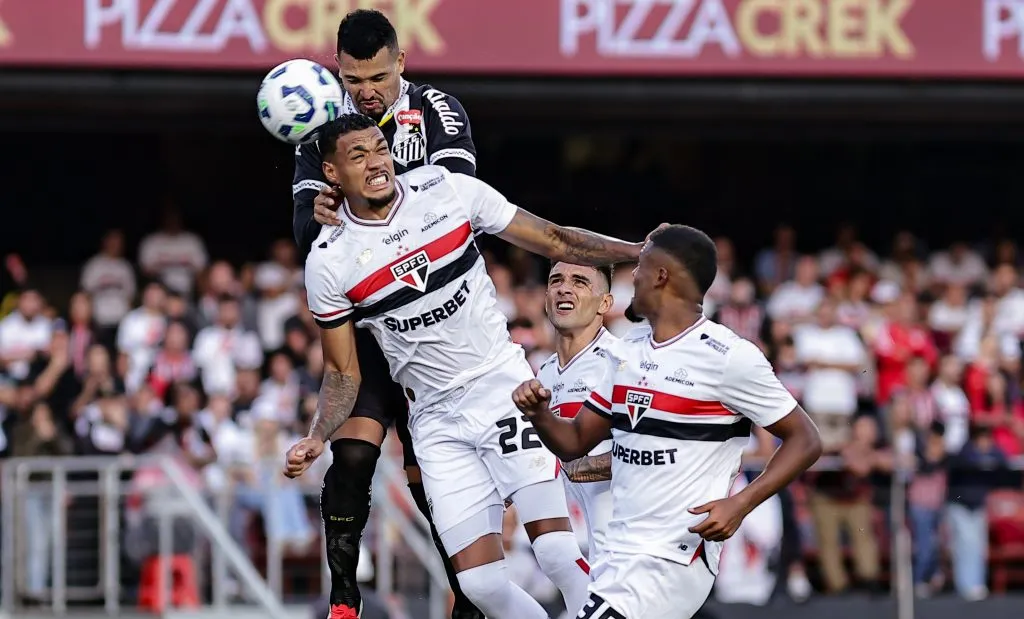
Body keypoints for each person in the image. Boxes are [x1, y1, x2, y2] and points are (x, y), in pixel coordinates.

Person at [284, 114, 650, 619]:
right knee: (478, 584)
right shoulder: (328, 261)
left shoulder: (446, 189)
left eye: (379, 148)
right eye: (358, 156)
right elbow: (344, 372)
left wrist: (637, 252)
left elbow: (556, 240)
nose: (376, 163)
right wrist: (318, 434)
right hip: (434, 421)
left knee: (557, 552)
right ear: (331, 173)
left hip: (500, 389)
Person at [513, 225, 822, 619]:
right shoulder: (625, 355)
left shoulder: (727, 356)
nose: (632, 279)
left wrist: (740, 503)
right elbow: (573, 443)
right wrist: (539, 412)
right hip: (617, 556)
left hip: (672, 557)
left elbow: (806, 439)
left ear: (661, 277)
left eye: (639, 267)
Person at [289, 10, 482, 619]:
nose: (365, 91)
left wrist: (362, 193)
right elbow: (303, 235)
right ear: (337, 71)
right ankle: (344, 600)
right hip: (370, 331)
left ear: (401, 62)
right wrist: (321, 212)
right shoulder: (320, 130)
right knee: (352, 455)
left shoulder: (437, 111)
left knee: (432, 482)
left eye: (376, 77)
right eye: (352, 79)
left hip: (434, 332)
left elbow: (450, 204)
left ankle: (469, 597)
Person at [535, 262, 617, 564]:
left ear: (605, 303)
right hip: (567, 541)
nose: (563, 288)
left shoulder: (621, 363)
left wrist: (585, 465)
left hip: (619, 539)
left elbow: (653, 447)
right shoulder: (543, 373)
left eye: (579, 282)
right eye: (555, 280)